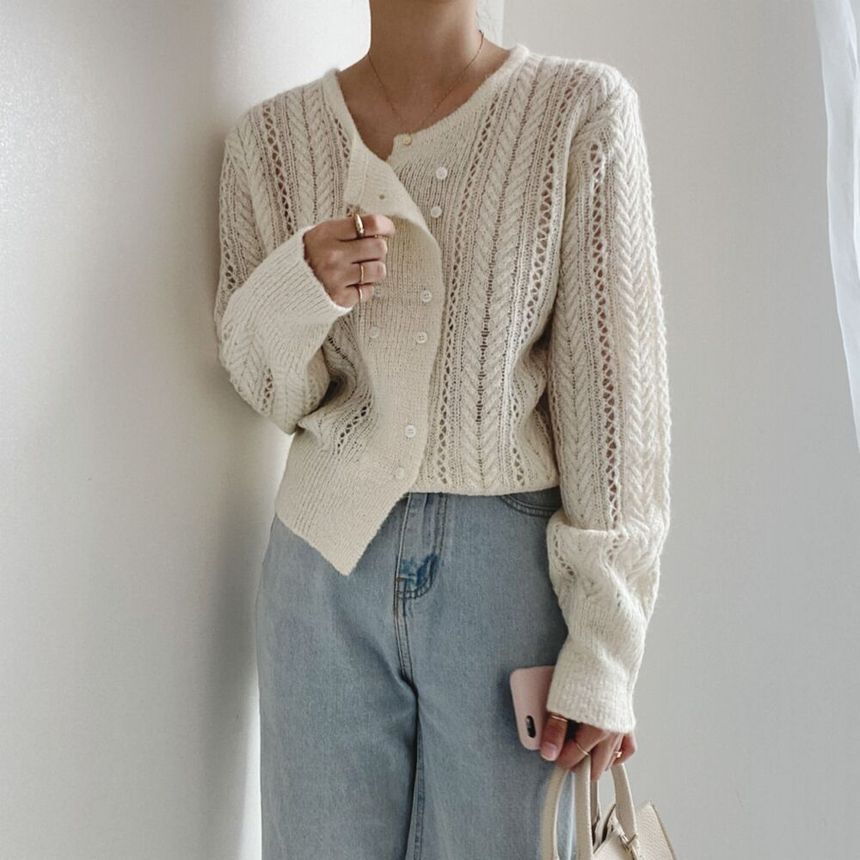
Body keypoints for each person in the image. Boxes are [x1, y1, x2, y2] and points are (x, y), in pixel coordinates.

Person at [213, 3, 671, 858]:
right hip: (320, 574)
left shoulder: (578, 111)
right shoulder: (271, 141)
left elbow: (613, 402)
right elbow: (271, 390)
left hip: (507, 586)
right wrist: (300, 285)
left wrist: (606, 651)